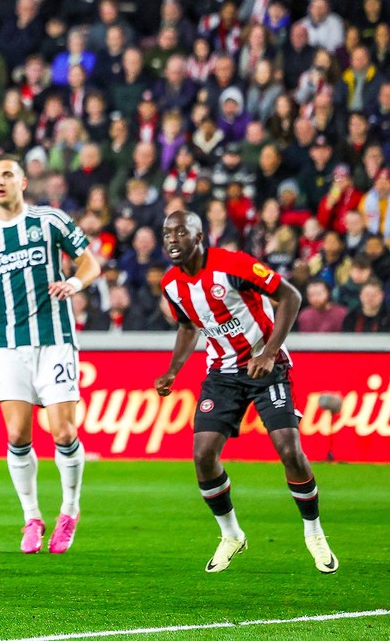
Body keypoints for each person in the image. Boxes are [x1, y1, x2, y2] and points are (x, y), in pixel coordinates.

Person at [154, 211, 338, 574]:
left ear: (200, 235)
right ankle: (231, 534)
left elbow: (291, 297)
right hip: (221, 373)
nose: (172, 239)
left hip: (267, 368)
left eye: (180, 232)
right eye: (167, 233)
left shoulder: (233, 265)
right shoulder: (171, 284)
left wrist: (268, 351)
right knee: (203, 455)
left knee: (289, 449)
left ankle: (314, 532)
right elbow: (189, 326)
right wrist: (173, 370)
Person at [0, 154, 100, 554]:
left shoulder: (50, 221)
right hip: (9, 346)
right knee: (17, 435)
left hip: (55, 340)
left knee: (63, 432)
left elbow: (89, 262)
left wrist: (74, 283)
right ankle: (32, 517)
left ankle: (69, 511)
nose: (0, 181)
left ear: (23, 182)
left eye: (8, 174)